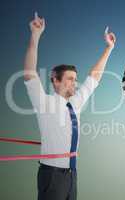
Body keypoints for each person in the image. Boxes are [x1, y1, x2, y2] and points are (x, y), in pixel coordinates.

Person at [23, 12, 116, 200]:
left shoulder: (75, 103)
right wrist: (35, 35)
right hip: (52, 175)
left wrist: (109, 48)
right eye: (70, 79)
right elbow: (29, 73)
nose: (75, 83)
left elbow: (94, 77)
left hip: (72, 174)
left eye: (75, 79)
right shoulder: (44, 102)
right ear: (55, 81)